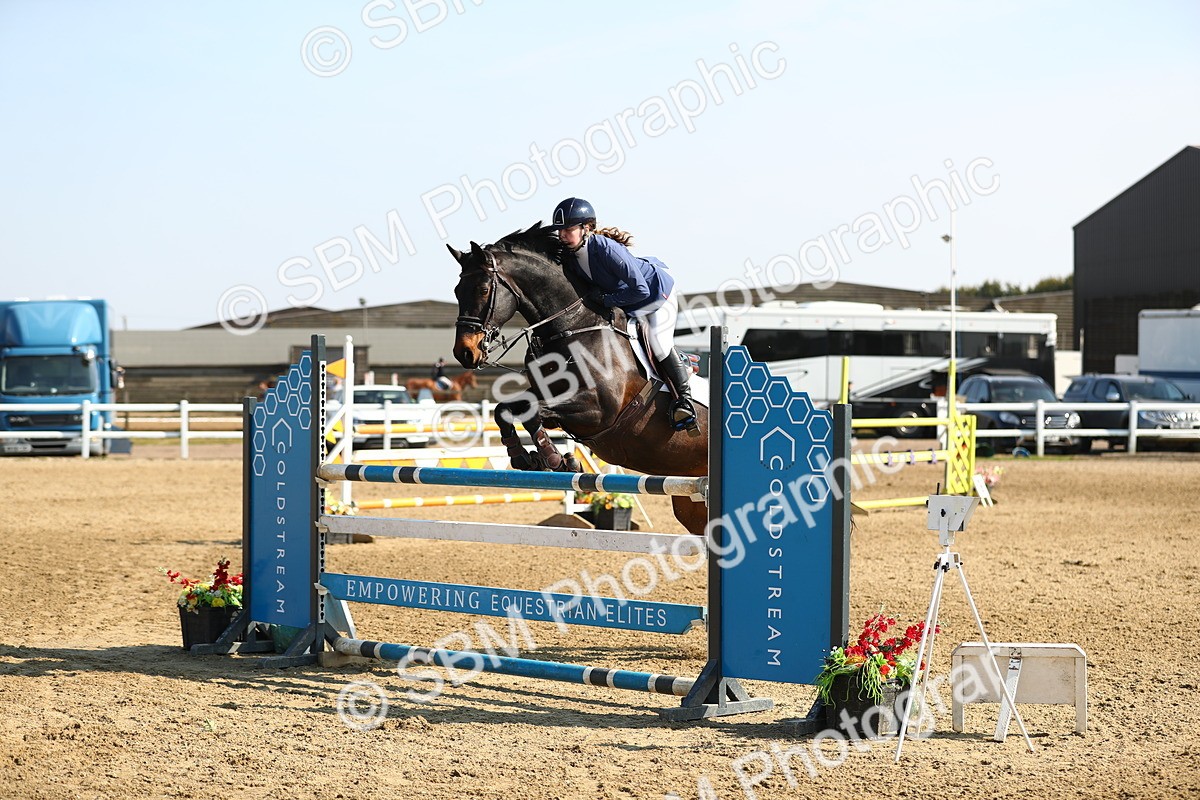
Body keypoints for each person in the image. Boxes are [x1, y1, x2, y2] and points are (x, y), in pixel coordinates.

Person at [548, 197, 697, 431]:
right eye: (559, 231)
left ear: (586, 228)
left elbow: (641, 290)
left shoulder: (606, 249)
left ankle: (684, 401)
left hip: (656, 295)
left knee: (658, 343)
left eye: (568, 230)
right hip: (627, 300)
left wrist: (607, 300)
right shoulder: (572, 255)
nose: (562, 236)